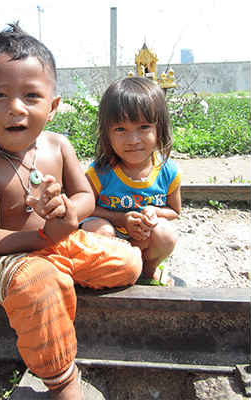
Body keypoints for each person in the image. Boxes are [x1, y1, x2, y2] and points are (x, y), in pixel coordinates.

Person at [0, 23, 142, 400]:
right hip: (8, 258)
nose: (16, 108)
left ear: (53, 106)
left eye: (31, 95)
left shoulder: (58, 146)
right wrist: (44, 235)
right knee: (38, 284)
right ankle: (62, 381)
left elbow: (85, 196)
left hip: (59, 243)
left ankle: (59, 277)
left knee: (128, 262)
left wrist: (68, 212)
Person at [80, 77, 182, 287]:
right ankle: (108, 272)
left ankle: (147, 271)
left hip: (142, 238)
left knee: (165, 233)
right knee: (99, 230)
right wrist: (122, 219)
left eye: (143, 127)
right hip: (110, 239)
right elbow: (84, 208)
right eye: (120, 129)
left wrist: (154, 212)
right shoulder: (100, 172)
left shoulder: (168, 171)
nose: (133, 140)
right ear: (106, 133)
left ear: (159, 128)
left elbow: (174, 210)